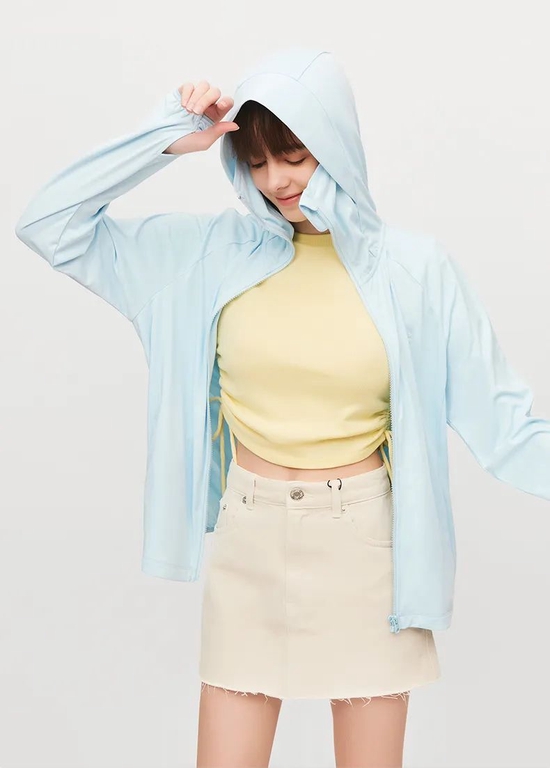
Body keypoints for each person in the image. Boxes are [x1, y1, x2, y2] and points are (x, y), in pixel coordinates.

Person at [16, 47, 550, 767]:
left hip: (367, 552)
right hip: (251, 543)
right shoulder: (207, 253)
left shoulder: (415, 271)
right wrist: (165, 135)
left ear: (337, 145)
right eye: (258, 161)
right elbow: (49, 224)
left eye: (295, 155)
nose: (277, 180)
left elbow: (508, 424)